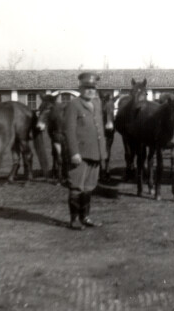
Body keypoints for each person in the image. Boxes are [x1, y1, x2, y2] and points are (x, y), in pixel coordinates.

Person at [65, 72, 107, 230]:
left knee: (89, 187)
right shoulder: (74, 105)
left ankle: (86, 217)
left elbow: (99, 129)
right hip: (80, 154)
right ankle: (74, 219)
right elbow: (69, 130)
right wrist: (74, 152)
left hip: (95, 153)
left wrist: (103, 153)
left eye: (93, 88)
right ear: (80, 88)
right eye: (87, 87)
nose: (90, 90)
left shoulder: (97, 103)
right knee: (76, 186)